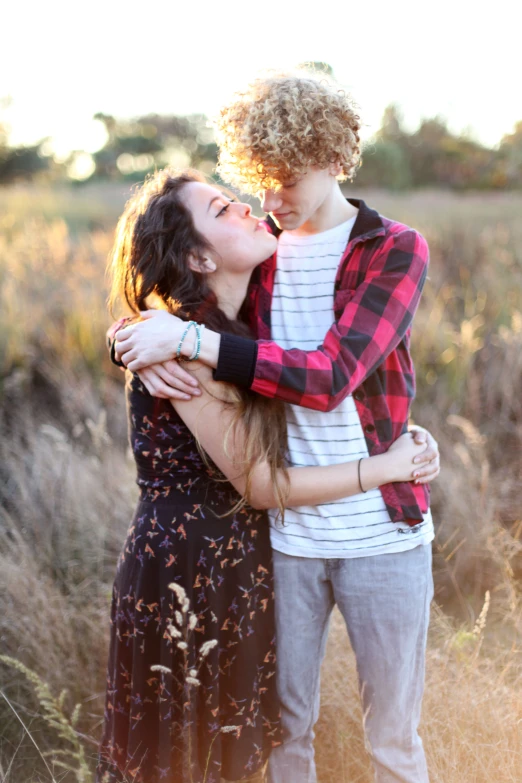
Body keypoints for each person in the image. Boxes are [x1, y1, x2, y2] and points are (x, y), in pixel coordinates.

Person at [114, 72, 440, 783]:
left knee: (393, 740)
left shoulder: (392, 250)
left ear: (329, 156)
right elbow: (183, 288)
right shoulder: (264, 255)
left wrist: (187, 343)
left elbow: (327, 378)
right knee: (285, 736)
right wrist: (132, 336)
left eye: (286, 179)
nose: (271, 203)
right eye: (258, 182)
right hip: (285, 541)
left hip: (384, 532)